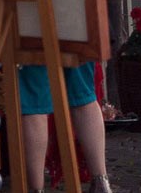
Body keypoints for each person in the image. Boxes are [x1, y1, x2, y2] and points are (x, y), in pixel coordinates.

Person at [18, 62, 116, 193]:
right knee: (83, 94)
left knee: (34, 99)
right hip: (76, 42)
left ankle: (36, 190)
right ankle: (101, 184)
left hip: (32, 43)